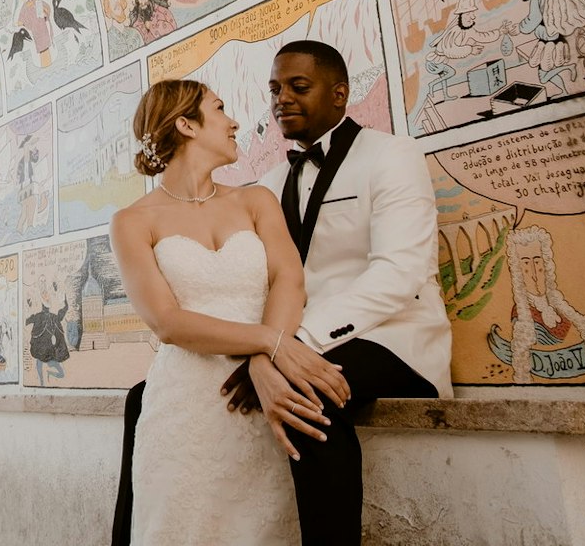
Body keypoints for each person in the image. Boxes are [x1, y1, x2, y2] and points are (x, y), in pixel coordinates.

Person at [113, 43, 451, 545]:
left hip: (390, 335)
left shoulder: (391, 156)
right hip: (287, 335)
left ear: (340, 95)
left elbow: (397, 277)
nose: (280, 100)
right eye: (274, 88)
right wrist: (273, 345)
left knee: (306, 397)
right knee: (146, 398)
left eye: (298, 86)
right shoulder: (268, 183)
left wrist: (284, 349)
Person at [108, 78, 348, 544]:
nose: (235, 121)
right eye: (219, 109)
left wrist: (264, 363)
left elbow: (289, 279)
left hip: (262, 398)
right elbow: (168, 322)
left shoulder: (255, 199)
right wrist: (271, 342)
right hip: (183, 409)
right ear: (186, 124)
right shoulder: (132, 222)